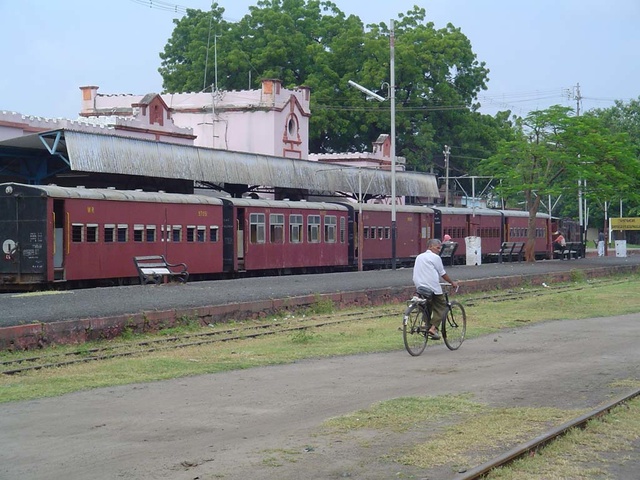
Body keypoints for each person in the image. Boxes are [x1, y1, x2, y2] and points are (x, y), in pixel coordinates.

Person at [412, 238, 459, 340]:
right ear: (430, 247)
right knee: (442, 306)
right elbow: (442, 273)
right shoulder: (435, 258)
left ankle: (426, 324)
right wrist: (452, 282)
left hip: (419, 287)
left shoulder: (419, 257)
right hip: (432, 287)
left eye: (440, 247)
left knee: (426, 306)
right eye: (438, 247)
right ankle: (433, 329)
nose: (439, 250)